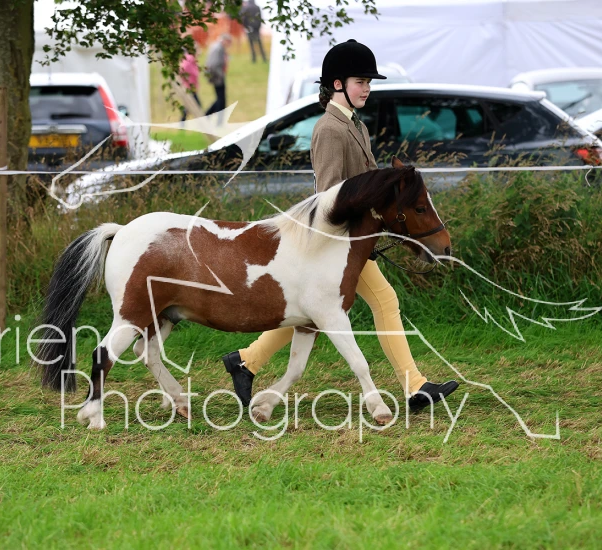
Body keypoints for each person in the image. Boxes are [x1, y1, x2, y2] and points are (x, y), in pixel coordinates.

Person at [222, 39, 459, 414]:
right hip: (338, 241)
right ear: (337, 84)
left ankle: (246, 361)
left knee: (315, 312)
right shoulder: (330, 129)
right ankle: (414, 385)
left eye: (369, 82)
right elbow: (329, 193)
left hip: (355, 240)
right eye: (361, 81)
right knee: (373, 303)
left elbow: (368, 183)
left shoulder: (355, 126)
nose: (367, 88)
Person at [204, 34, 232, 118]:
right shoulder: (218, 48)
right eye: (228, 42)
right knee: (221, 99)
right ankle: (211, 116)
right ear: (225, 40)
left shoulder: (217, 46)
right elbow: (214, 64)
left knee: (220, 98)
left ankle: (208, 115)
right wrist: (221, 75)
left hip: (216, 75)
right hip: (217, 76)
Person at [179, 49, 202, 122]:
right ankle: (201, 123)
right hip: (189, 87)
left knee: (188, 107)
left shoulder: (192, 59)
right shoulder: (190, 58)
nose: (199, 52)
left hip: (190, 87)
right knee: (197, 106)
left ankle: (182, 122)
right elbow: (183, 69)